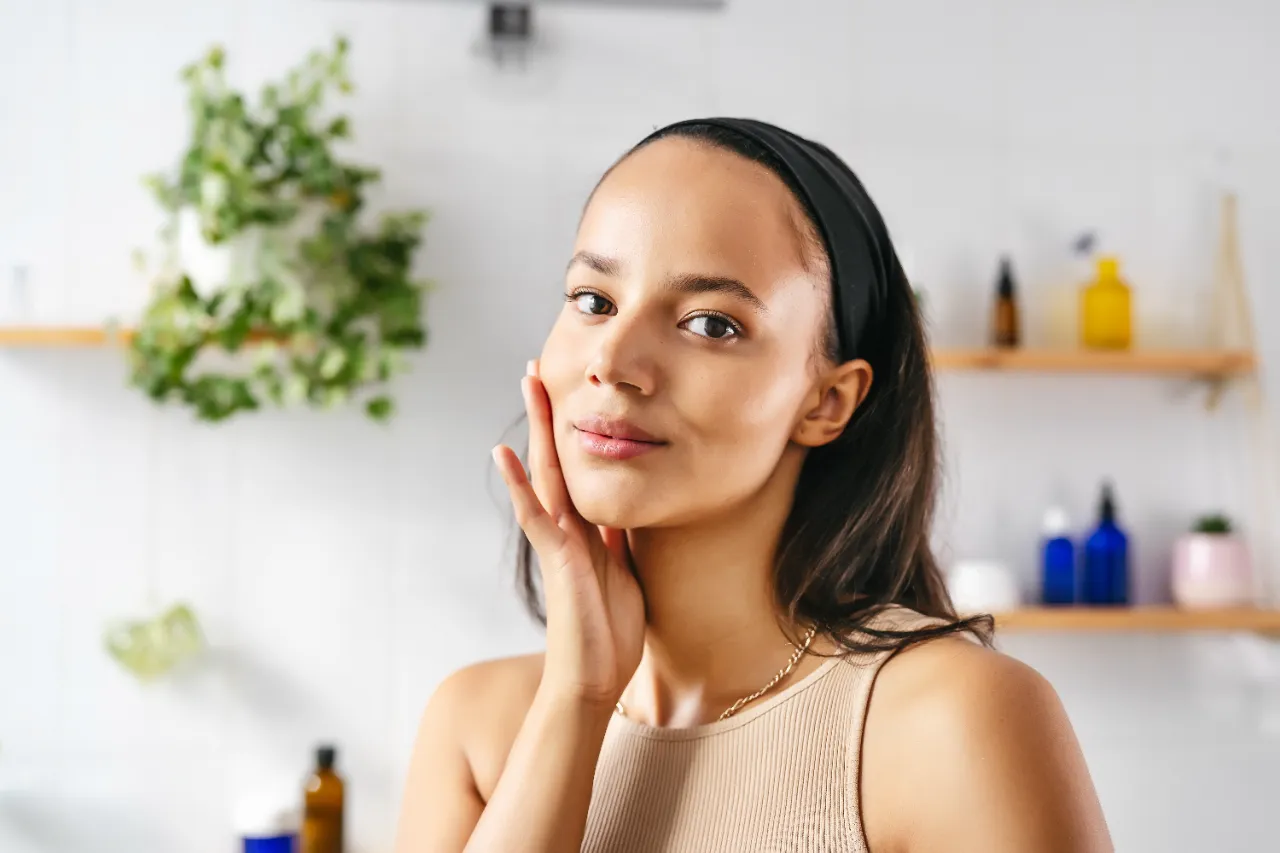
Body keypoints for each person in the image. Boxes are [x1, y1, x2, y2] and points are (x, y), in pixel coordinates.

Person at [395, 118, 1112, 852]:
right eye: (593, 300)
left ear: (827, 401)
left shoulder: (952, 720)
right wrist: (576, 701)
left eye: (710, 323)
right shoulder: (478, 727)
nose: (611, 360)